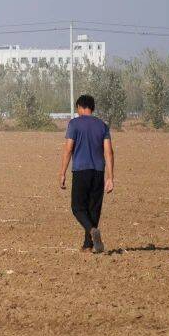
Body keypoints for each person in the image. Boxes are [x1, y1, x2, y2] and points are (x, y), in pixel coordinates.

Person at [58, 94, 115, 253]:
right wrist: (110, 177)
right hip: (98, 172)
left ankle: (91, 231)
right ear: (92, 107)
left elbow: (69, 149)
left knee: (77, 207)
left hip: (81, 170)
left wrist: (62, 173)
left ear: (80, 107)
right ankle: (88, 245)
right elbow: (109, 152)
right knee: (93, 209)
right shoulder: (102, 126)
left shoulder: (74, 124)